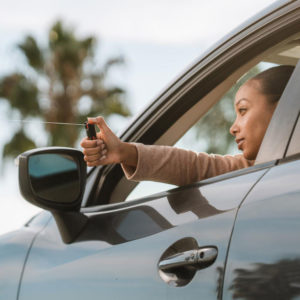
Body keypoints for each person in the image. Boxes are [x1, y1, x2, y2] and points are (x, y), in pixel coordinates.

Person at [80, 65, 294, 186]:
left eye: (243, 110)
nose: (233, 128)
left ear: (284, 107)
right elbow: (195, 166)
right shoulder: (256, 169)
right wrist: (123, 152)